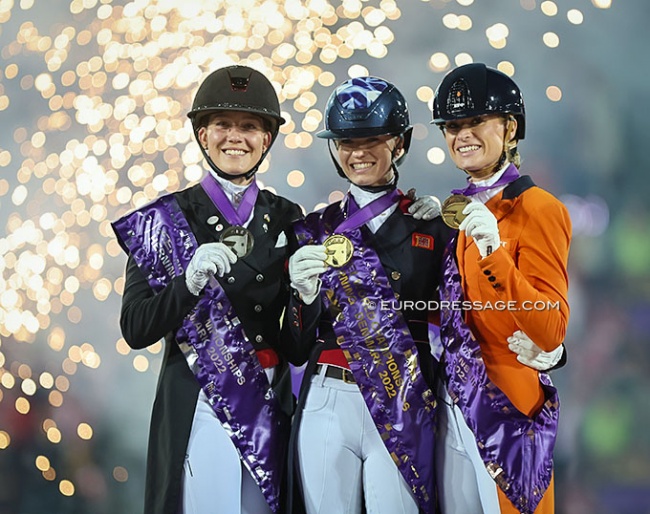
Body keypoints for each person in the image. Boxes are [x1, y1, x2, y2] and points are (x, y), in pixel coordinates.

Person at [111, 65, 303, 514]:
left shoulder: (289, 216)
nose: (235, 136)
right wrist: (188, 283)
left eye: (250, 126)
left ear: (267, 139)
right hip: (202, 400)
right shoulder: (164, 221)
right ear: (202, 134)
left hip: (271, 401)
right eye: (222, 125)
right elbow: (136, 328)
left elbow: (297, 339)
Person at [281, 76, 451, 514]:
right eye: (345, 141)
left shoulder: (432, 226)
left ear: (400, 142)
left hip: (402, 397)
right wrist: (302, 295)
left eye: (372, 138)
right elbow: (297, 348)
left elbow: (454, 323)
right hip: (327, 400)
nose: (358, 152)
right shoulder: (312, 231)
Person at [431, 63, 571, 514]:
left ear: (510, 129)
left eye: (475, 121)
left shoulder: (539, 208)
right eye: (452, 125)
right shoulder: (456, 213)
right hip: (452, 409)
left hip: (507, 407)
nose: (462, 134)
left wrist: (493, 252)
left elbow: (550, 329)